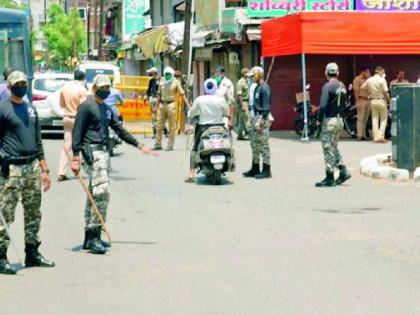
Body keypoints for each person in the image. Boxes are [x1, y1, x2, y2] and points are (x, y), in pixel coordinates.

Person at [71, 74, 154, 255]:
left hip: (104, 152)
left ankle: (91, 235)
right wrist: (75, 157)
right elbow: (77, 132)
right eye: (102, 87)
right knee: (102, 193)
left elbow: (119, 130)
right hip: (92, 153)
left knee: (95, 192)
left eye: (108, 88)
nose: (105, 90)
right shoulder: (86, 106)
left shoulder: (107, 109)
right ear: (94, 88)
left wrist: (139, 145)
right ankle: (93, 236)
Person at [0, 71, 55, 275]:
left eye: (24, 83)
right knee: (6, 212)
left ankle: (32, 252)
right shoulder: (3, 108)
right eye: (17, 83)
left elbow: (38, 141)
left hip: (31, 166)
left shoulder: (30, 109)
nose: (21, 86)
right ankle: (1, 255)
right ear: (9, 86)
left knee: (33, 211)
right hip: (11, 168)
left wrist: (44, 169)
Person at [185, 79, 229, 183]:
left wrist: (190, 114)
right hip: (219, 127)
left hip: (203, 128)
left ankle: (191, 174)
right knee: (228, 140)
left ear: (205, 88)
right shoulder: (220, 99)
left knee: (195, 149)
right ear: (215, 87)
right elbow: (226, 111)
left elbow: (192, 112)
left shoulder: (200, 99)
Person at [315, 63, 351, 187]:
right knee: (333, 147)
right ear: (337, 73)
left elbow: (323, 105)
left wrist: (319, 119)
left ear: (326, 73)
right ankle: (343, 170)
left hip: (330, 120)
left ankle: (329, 177)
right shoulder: (342, 86)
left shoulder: (327, 86)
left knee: (327, 147)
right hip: (340, 120)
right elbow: (345, 104)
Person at [57, 70, 88, 182]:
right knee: (84, 142)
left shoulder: (65, 88)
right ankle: (83, 167)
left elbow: (61, 105)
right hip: (78, 119)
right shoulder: (82, 90)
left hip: (67, 118)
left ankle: (61, 172)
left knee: (67, 145)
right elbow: (84, 108)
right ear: (83, 78)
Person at [242, 66, 273, 179]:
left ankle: (266, 169)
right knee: (254, 144)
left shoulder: (264, 88)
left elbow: (266, 108)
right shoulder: (257, 87)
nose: (250, 79)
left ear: (258, 75)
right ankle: (255, 168)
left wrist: (260, 122)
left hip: (262, 118)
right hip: (256, 117)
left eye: (252, 76)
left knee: (263, 145)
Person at [153, 66, 190, 151]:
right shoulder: (162, 81)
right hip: (162, 104)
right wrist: (156, 106)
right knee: (159, 125)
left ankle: (170, 145)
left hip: (172, 104)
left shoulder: (176, 82)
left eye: (169, 74)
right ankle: (157, 144)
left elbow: (182, 94)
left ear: (172, 74)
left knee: (172, 126)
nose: (167, 76)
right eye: (166, 74)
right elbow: (158, 95)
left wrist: (188, 105)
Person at [362, 66, 391, 144]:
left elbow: (363, 87)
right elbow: (386, 92)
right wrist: (389, 101)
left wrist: (369, 93)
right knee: (383, 119)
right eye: (383, 72)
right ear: (379, 71)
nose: (384, 73)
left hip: (373, 101)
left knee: (374, 119)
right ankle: (381, 137)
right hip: (381, 100)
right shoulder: (382, 80)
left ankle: (376, 137)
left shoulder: (369, 80)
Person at [352, 67, 371, 141]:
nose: (368, 74)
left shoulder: (368, 80)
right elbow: (356, 91)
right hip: (361, 99)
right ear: (363, 72)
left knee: (365, 119)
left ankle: (364, 134)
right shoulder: (357, 79)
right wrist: (357, 101)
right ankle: (359, 135)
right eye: (367, 72)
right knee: (360, 118)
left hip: (368, 100)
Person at [236, 68, 251, 140]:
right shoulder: (240, 82)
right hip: (243, 102)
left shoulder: (247, 81)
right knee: (247, 119)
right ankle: (251, 134)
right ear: (244, 74)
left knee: (241, 121)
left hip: (246, 102)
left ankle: (239, 135)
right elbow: (239, 95)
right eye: (248, 73)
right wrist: (242, 105)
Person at [146, 67, 160, 138]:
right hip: (153, 99)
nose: (150, 74)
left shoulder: (160, 80)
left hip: (158, 100)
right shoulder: (151, 81)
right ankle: (155, 132)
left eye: (151, 73)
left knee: (159, 116)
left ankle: (164, 130)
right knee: (154, 117)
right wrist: (147, 97)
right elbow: (149, 90)